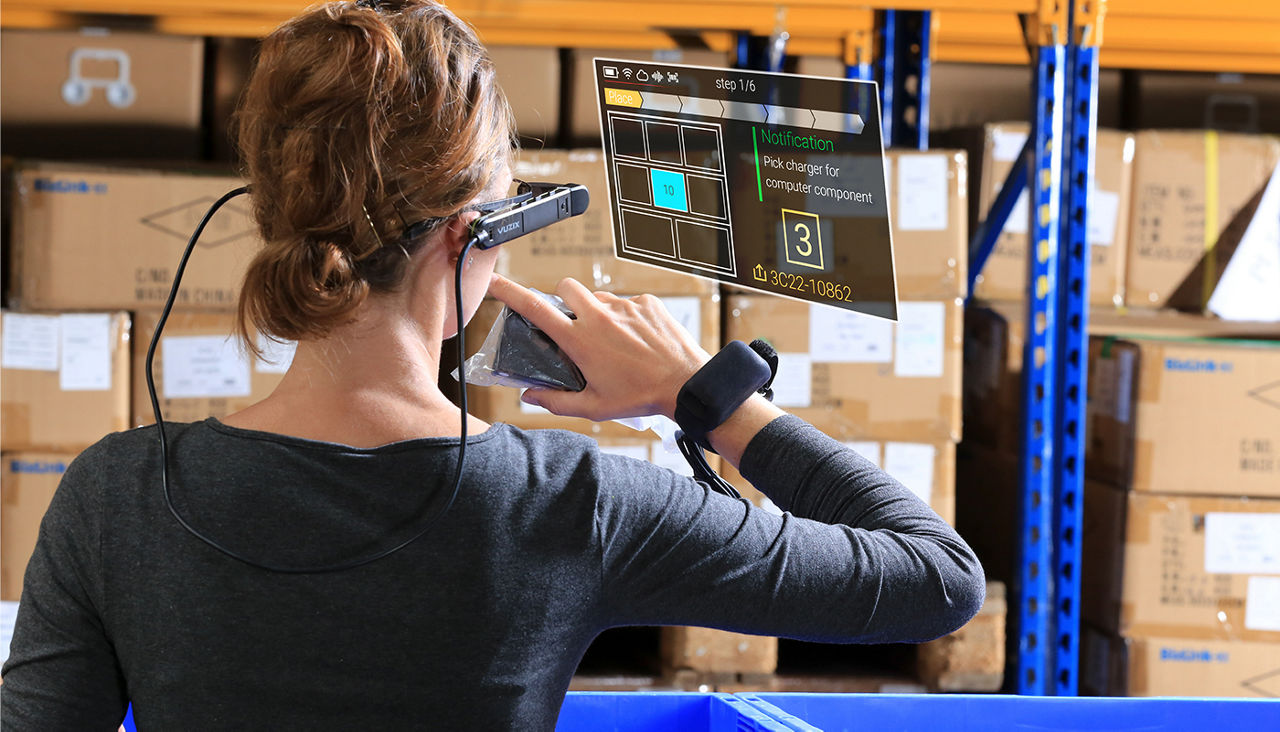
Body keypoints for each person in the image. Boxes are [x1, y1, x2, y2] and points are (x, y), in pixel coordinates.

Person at [0, 1, 984, 728]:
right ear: (476, 236)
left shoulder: (117, 495)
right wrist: (708, 395)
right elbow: (935, 578)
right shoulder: (573, 501)